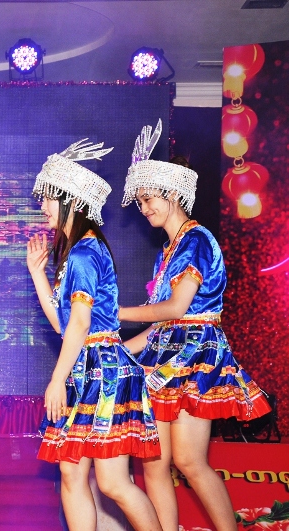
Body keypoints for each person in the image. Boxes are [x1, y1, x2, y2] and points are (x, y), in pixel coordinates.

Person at [119, 120, 271, 531]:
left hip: (195, 354)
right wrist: (112, 347)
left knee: (189, 461)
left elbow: (176, 307)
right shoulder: (166, 251)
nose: (144, 208)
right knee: (154, 462)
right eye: (141, 201)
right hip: (164, 354)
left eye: (149, 199)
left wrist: (116, 313)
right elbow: (160, 324)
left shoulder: (197, 240)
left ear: (172, 194)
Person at [26, 139, 162, 531]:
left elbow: (81, 324)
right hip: (88, 369)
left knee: (112, 483)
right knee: (71, 472)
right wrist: (37, 274)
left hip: (103, 372)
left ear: (70, 200)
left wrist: (56, 380)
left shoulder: (84, 253)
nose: (43, 206)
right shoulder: (76, 253)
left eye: (48, 198)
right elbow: (62, 324)